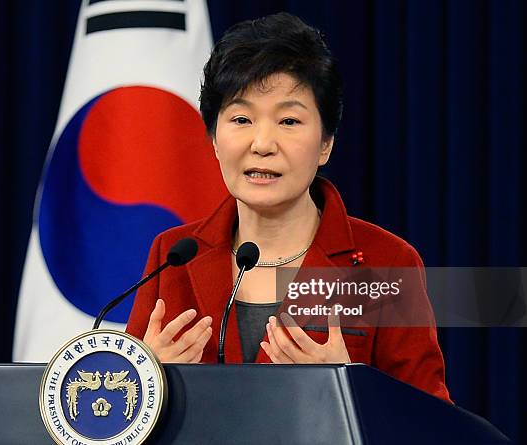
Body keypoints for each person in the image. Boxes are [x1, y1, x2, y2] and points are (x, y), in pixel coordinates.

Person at [126, 12, 451, 402]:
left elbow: (432, 423)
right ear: (214, 139)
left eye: (289, 121)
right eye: (242, 118)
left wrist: (350, 390)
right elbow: (123, 417)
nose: (262, 143)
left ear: (326, 144)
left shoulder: (388, 261)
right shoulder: (173, 255)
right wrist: (144, 381)